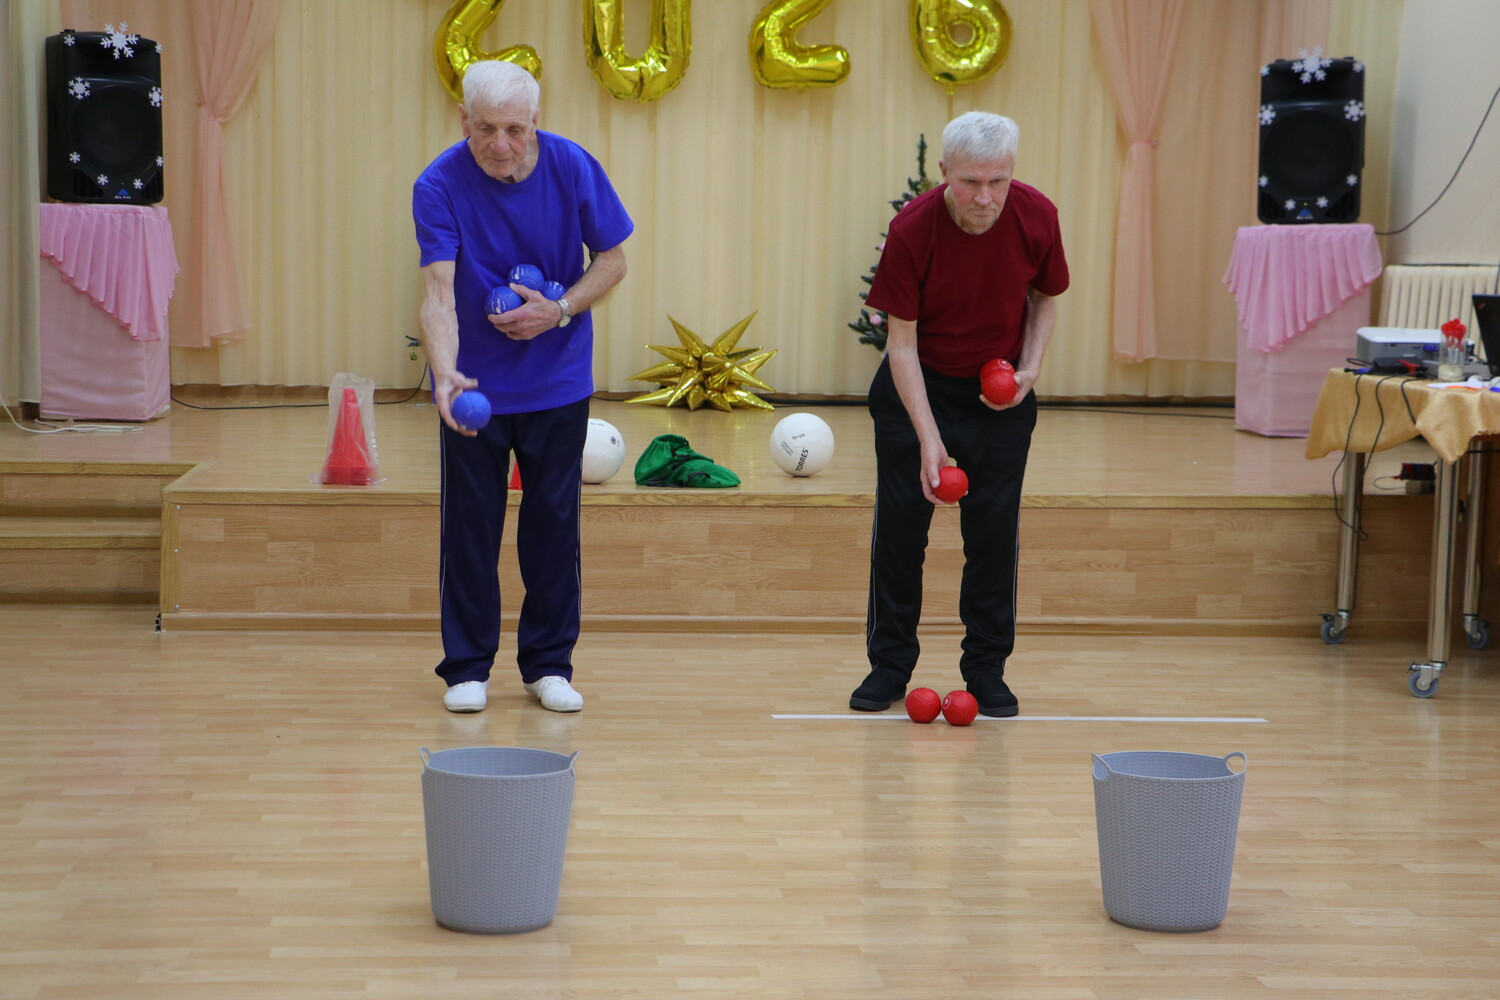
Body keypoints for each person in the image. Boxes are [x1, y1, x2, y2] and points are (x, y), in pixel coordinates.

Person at [412, 60, 633, 714]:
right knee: (470, 528)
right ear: (463, 121)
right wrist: (446, 374)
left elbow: (613, 260)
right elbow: (438, 293)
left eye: (514, 129)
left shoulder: (572, 166)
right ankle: (466, 669)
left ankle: (548, 666)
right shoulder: (438, 184)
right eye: (485, 129)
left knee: (553, 527)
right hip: (476, 386)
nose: (501, 145)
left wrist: (559, 310)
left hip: (558, 381)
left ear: (535, 121)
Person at [850, 111, 1069, 719]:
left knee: (993, 535)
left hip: (998, 400)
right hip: (916, 390)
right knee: (900, 535)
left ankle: (987, 669)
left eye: (998, 181)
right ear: (945, 172)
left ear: (1012, 172)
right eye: (971, 182)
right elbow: (900, 345)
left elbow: (1046, 297)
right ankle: (890, 665)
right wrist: (929, 439)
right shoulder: (913, 228)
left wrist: (1030, 370)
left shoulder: (1037, 215)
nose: (985, 197)